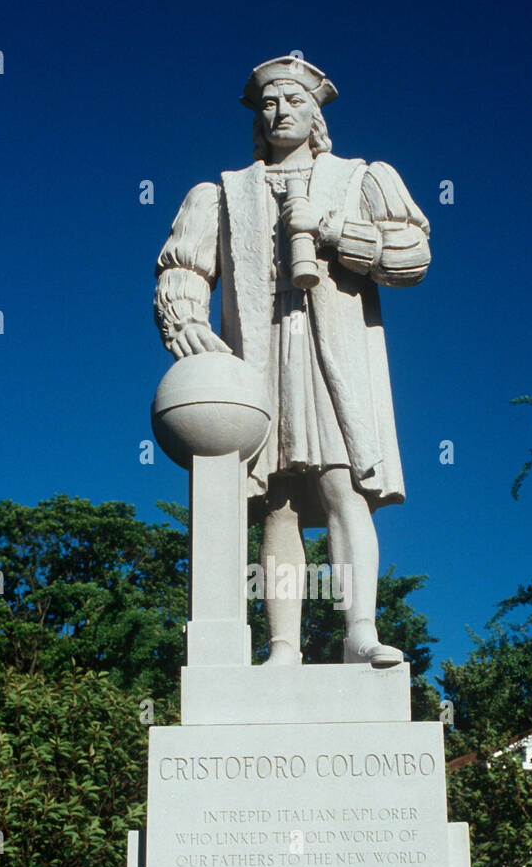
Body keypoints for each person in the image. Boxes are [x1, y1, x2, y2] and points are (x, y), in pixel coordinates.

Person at [154, 55, 430, 667]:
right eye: (269, 104)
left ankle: (360, 631)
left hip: (333, 354)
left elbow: (413, 255)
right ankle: (283, 647)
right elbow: (184, 265)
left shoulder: (361, 178)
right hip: (257, 353)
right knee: (276, 500)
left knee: (341, 486)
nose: (280, 113)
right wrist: (189, 320)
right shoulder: (225, 190)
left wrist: (333, 232)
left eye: (293, 101)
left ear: (317, 114)